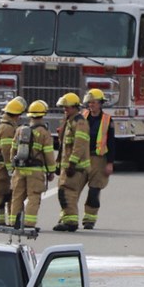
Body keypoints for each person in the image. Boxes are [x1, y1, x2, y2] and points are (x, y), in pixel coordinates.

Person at [8, 100, 56, 229]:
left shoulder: (20, 130)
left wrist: (13, 166)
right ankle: (29, 224)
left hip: (19, 168)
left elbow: (13, 150)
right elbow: (48, 154)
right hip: (35, 170)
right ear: (43, 115)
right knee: (33, 196)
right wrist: (52, 171)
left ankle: (14, 222)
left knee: (17, 196)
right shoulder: (44, 133)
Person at [54, 92, 91, 232]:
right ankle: (66, 219)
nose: (65, 110)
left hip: (76, 167)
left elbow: (79, 145)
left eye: (67, 107)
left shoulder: (79, 123)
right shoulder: (69, 121)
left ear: (75, 107)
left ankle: (71, 222)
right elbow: (64, 146)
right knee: (66, 193)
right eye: (63, 107)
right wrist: (59, 164)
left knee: (67, 192)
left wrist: (72, 163)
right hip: (69, 166)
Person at [80, 88, 115, 229]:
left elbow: (112, 143)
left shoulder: (107, 120)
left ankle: (89, 219)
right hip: (82, 157)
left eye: (94, 102)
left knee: (94, 190)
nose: (91, 105)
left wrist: (110, 163)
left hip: (98, 159)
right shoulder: (82, 117)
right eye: (89, 103)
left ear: (100, 104)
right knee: (72, 188)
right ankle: (68, 218)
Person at [0, 96, 26, 227]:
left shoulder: (5, 125)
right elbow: (6, 150)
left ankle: (7, 220)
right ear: (15, 115)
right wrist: (11, 168)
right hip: (2, 166)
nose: (20, 117)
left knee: (9, 194)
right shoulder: (7, 129)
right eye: (19, 115)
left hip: (1, 165)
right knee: (2, 194)